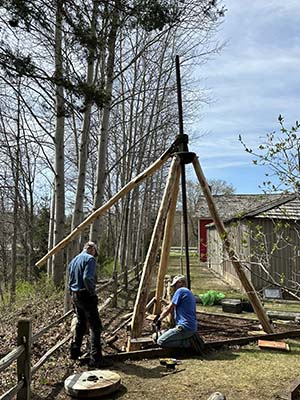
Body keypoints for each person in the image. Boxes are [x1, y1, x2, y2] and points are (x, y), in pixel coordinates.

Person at [68, 241, 112, 368]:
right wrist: (92, 292)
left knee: (81, 323)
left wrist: (72, 294)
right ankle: (96, 358)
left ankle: (74, 352)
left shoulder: (74, 260)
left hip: (75, 294)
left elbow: (70, 280)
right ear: (92, 250)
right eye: (95, 252)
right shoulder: (90, 259)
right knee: (95, 326)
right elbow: (87, 278)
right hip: (85, 294)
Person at [156, 274, 198, 348]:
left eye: (175, 285)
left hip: (184, 327)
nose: (174, 288)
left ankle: (187, 343)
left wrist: (159, 319)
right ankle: (187, 339)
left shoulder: (180, 290)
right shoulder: (188, 292)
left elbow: (170, 308)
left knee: (160, 341)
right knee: (161, 335)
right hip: (191, 327)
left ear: (180, 282)